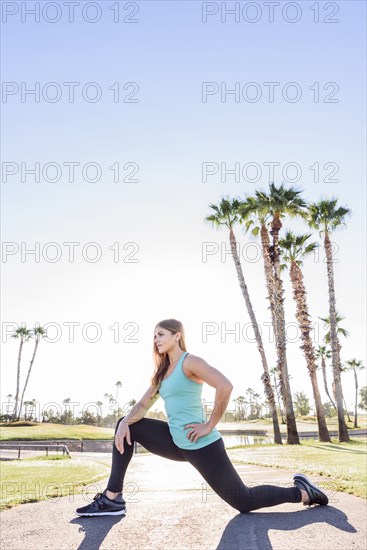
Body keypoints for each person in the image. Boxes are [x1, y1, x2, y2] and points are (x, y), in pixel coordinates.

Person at [76, 319, 328, 517]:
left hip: (201, 445)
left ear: (177, 335)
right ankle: (112, 498)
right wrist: (122, 422)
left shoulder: (190, 362)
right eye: (154, 336)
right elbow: (143, 405)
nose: (156, 340)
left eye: (161, 334)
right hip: (175, 443)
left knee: (244, 501)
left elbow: (225, 385)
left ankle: (302, 493)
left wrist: (209, 424)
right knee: (130, 425)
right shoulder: (162, 372)